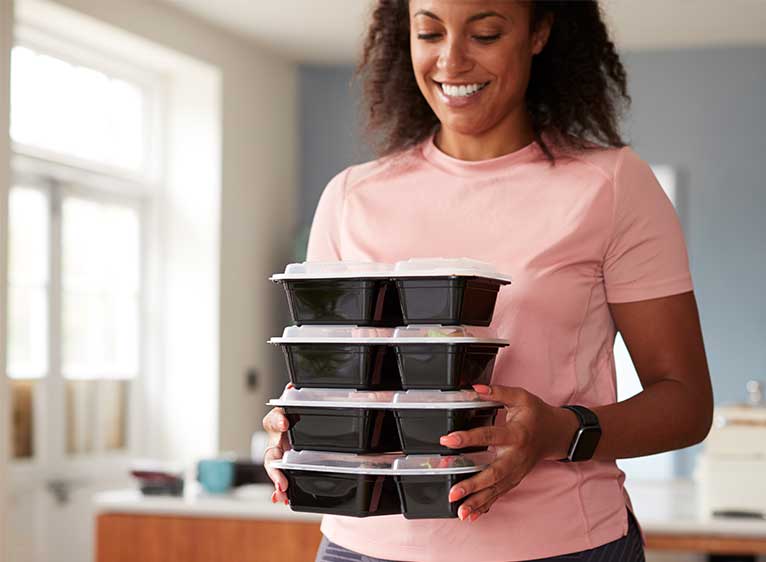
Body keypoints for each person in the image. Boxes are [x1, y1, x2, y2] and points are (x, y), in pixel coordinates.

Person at [263, 1, 713, 560]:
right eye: (429, 32)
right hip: (363, 549)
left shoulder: (611, 185)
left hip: (560, 547)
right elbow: (336, 378)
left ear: (538, 33)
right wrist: (300, 431)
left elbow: (687, 403)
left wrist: (558, 431)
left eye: (486, 33)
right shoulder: (351, 197)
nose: (451, 59)